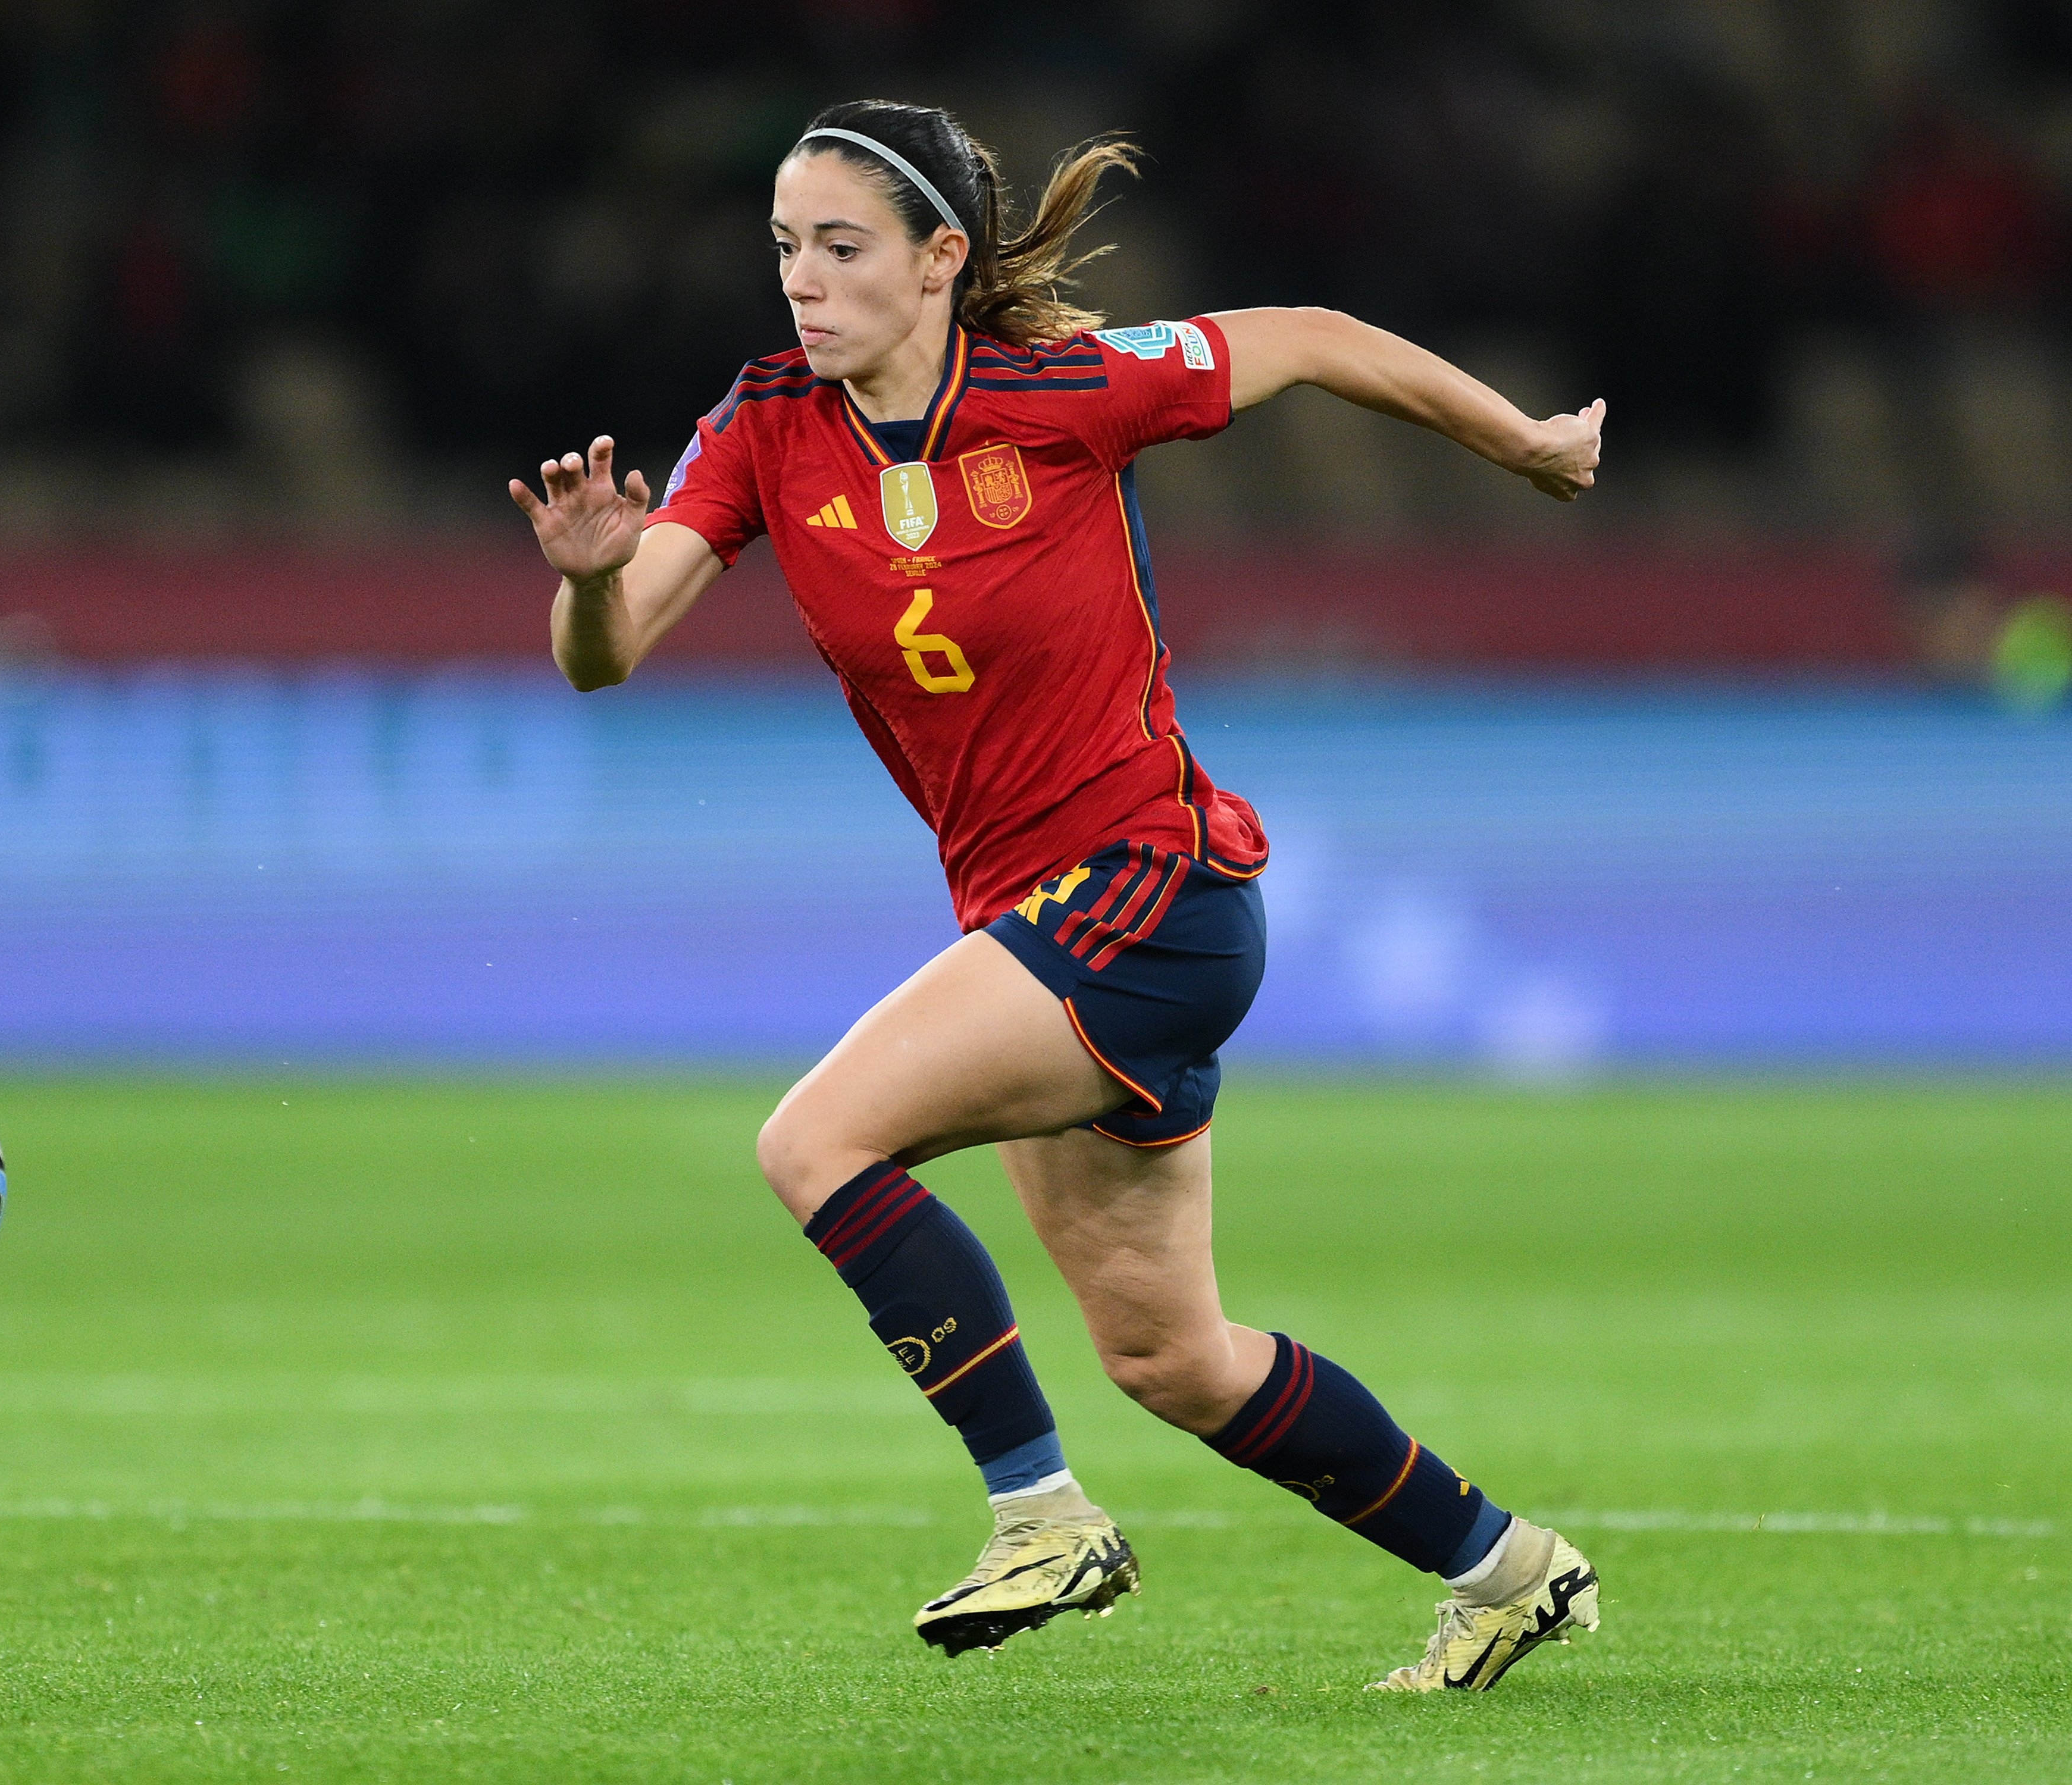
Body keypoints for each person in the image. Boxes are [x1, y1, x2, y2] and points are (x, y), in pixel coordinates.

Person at [508, 98, 1607, 1692]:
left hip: (1149, 893)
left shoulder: (1062, 393)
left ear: (941, 258)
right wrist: (594, 579)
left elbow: (1298, 337)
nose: (801, 284)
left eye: (840, 249)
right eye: (782, 250)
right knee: (1173, 1358)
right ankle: (1506, 1569)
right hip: (1036, 928)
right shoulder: (760, 428)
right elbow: (604, 666)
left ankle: (1039, 1514)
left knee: (812, 1141)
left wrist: (1518, 441)